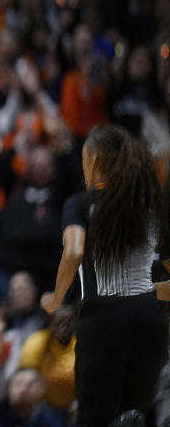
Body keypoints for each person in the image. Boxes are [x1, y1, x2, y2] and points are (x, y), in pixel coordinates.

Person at [41, 124, 167, 427]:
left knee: (94, 420)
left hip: (102, 322)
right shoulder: (152, 207)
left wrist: (56, 298)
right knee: (134, 416)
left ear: (94, 161)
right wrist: (149, 294)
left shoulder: (80, 204)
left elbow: (73, 252)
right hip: (149, 322)